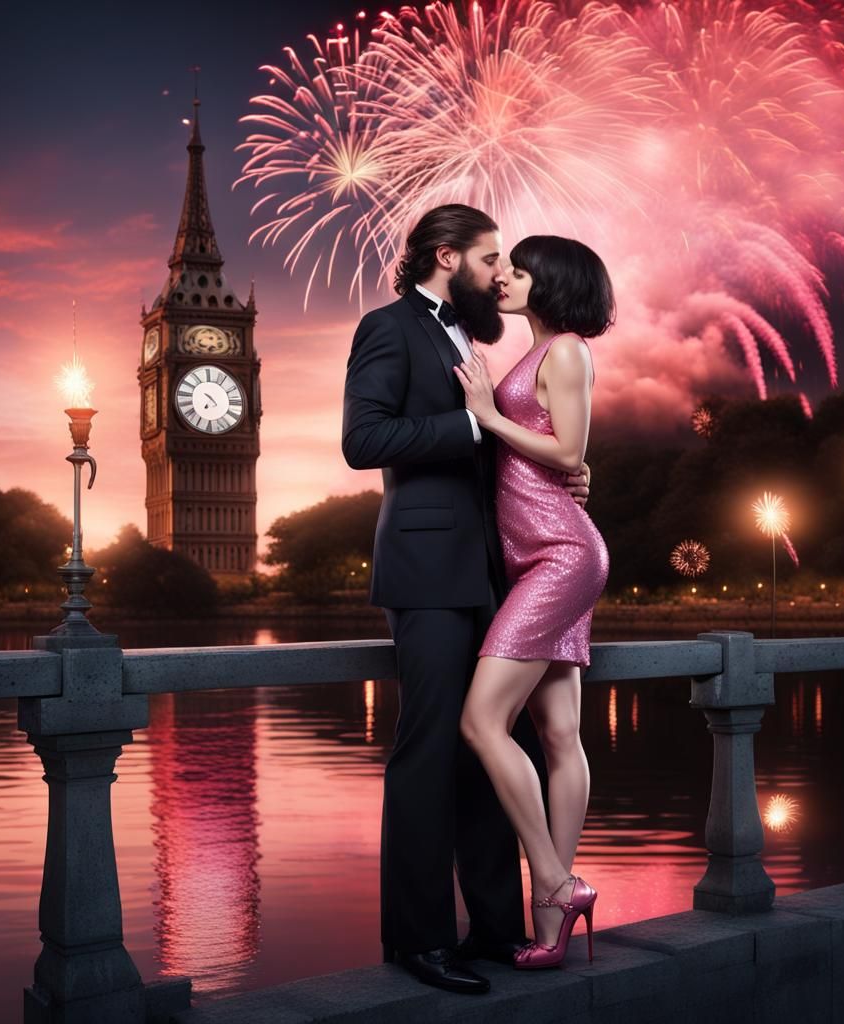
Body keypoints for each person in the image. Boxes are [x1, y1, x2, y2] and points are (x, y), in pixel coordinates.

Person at [342, 205, 591, 995]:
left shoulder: (476, 341)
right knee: (427, 754)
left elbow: (529, 452)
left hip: (495, 572)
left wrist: (571, 476)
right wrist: (471, 428)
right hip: (424, 570)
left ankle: (493, 927)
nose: (500, 273)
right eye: (489, 259)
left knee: (487, 752)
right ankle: (420, 940)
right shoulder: (388, 328)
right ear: (446, 257)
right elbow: (364, 440)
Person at [454, 234, 613, 969]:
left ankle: (552, 879)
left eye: (518, 271)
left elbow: (569, 452)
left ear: (548, 282)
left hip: (560, 557)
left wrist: (486, 413)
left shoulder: (569, 350)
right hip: (540, 556)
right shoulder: (538, 352)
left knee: (483, 720)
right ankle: (551, 931)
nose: (505, 280)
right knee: (558, 734)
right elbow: (555, 451)